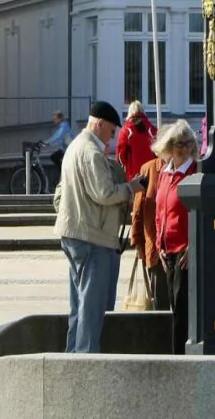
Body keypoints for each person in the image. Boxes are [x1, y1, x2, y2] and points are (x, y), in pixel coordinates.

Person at [53, 101, 146, 353]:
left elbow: (61, 192)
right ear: (100, 124)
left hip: (75, 233)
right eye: (112, 130)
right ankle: (85, 360)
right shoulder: (91, 152)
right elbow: (104, 193)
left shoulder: (74, 147)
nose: (113, 137)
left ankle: (73, 356)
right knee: (91, 309)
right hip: (92, 238)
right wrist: (131, 188)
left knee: (78, 305)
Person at [152, 120, 200, 354]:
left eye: (187, 143)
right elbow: (160, 210)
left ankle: (179, 357)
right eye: (177, 143)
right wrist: (159, 243)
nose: (182, 148)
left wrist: (193, 246)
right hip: (167, 249)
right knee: (173, 304)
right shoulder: (164, 172)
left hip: (185, 249)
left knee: (182, 308)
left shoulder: (195, 172)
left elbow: (200, 213)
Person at [130, 145, 170, 311]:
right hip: (154, 245)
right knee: (160, 301)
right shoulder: (149, 169)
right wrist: (137, 241)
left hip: (179, 248)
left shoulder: (190, 169)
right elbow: (138, 209)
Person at [116, 100, 158, 181]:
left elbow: (120, 154)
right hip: (151, 174)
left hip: (133, 175)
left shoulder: (126, 130)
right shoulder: (152, 129)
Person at [42, 110, 73, 182]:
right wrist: (46, 142)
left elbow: (58, 137)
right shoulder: (62, 126)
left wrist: (47, 143)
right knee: (55, 156)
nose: (54, 120)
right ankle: (64, 173)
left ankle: (64, 174)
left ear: (60, 118)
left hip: (69, 149)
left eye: (55, 119)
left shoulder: (64, 127)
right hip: (65, 149)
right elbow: (55, 136)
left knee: (54, 157)